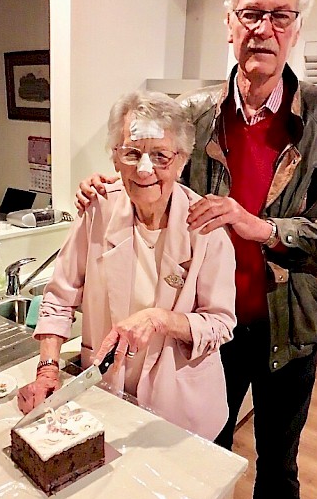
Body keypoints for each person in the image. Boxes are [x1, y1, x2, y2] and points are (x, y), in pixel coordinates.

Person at [74, 0, 317, 499]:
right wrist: (108, 184)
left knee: (277, 464)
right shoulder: (193, 116)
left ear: (296, 27)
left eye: (279, 16)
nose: (263, 29)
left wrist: (263, 228)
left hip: (287, 329)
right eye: (251, 14)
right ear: (229, 23)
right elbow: (150, 175)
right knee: (200, 449)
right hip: (204, 328)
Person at [17, 90, 237, 442]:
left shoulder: (206, 229)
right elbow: (59, 297)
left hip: (180, 407)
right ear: (115, 159)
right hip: (105, 396)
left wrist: (160, 319)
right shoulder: (98, 209)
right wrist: (47, 369)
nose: (144, 168)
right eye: (132, 153)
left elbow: (221, 324)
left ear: (181, 161)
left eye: (160, 156)